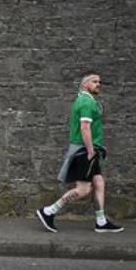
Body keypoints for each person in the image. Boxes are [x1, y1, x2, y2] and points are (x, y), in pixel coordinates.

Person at [37, 72, 123, 233]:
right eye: (94, 81)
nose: (99, 84)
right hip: (85, 151)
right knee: (83, 189)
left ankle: (101, 221)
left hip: (89, 150)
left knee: (99, 183)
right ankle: (49, 211)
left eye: (100, 81)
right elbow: (85, 127)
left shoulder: (88, 101)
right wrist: (90, 150)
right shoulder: (85, 102)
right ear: (85, 84)